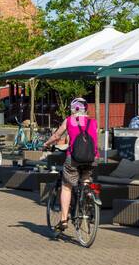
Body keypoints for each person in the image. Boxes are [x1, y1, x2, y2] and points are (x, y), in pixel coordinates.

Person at [42, 98, 99, 232]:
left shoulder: (69, 121)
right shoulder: (93, 122)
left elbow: (57, 136)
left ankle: (63, 220)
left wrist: (46, 144)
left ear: (72, 109)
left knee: (66, 186)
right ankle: (87, 199)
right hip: (92, 158)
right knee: (85, 178)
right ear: (86, 109)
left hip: (74, 158)